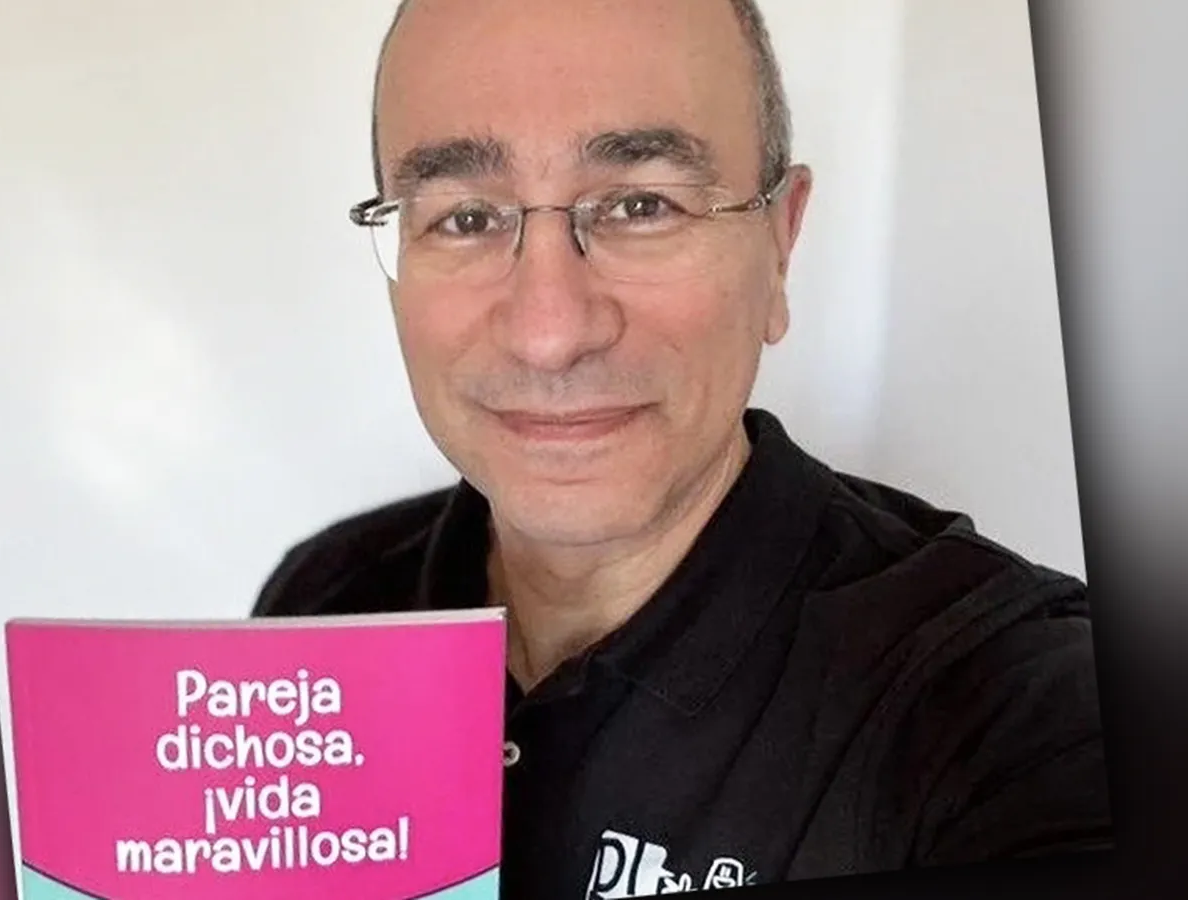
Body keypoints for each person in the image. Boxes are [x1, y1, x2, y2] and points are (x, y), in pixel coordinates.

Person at [253, 0, 1113, 895]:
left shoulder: (1010, 710)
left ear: (779, 246)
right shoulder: (324, 606)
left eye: (641, 205)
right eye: (465, 218)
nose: (550, 333)